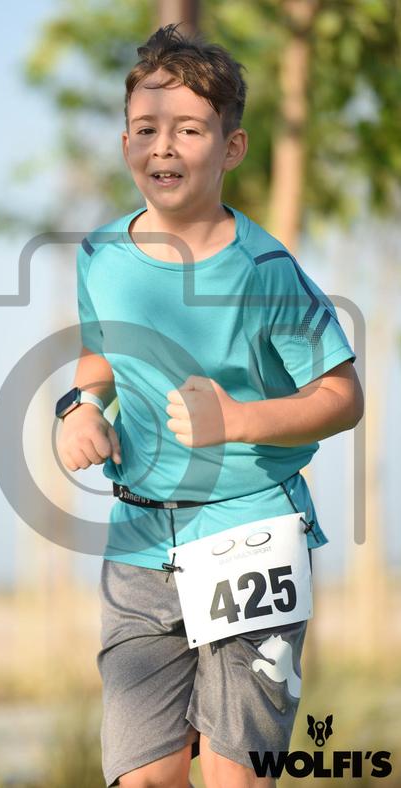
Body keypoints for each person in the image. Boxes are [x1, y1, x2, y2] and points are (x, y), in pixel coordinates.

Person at [56, 23, 364, 788]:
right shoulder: (100, 255)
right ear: (125, 141)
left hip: (251, 534)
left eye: (189, 130)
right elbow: (102, 352)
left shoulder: (265, 270)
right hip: (139, 543)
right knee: (142, 777)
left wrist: (240, 421)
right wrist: (80, 406)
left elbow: (342, 396)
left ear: (232, 148)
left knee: (235, 775)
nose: (164, 147)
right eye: (146, 128)